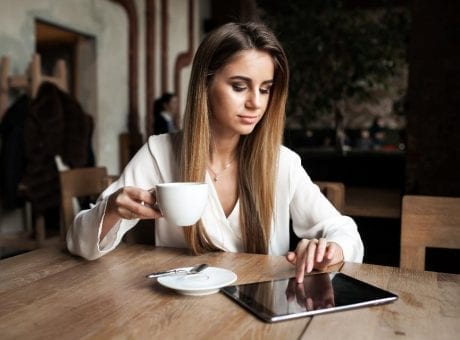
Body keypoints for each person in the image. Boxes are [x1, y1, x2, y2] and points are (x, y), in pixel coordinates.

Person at [67, 22, 364, 283]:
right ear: (205, 84)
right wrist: (112, 210)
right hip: (180, 316)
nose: (256, 103)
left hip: (262, 316)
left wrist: (331, 248)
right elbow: (80, 243)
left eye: (265, 89)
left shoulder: (280, 162)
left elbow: (343, 231)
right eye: (239, 86)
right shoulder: (160, 153)